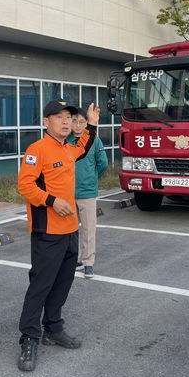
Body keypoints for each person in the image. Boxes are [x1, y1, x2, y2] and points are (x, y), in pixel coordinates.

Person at [16, 99, 100, 372]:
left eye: (69, 117)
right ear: (46, 121)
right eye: (59, 116)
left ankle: (53, 327)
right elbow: (25, 186)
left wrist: (92, 124)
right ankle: (29, 337)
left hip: (69, 230)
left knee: (62, 283)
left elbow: (84, 147)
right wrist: (51, 201)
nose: (66, 121)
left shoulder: (68, 150)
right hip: (47, 232)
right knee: (40, 285)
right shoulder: (36, 150)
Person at [67, 107, 108, 278]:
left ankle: (88, 262)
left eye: (82, 121)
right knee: (69, 230)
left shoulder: (94, 140)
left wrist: (91, 178)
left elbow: (103, 164)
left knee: (89, 229)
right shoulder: (65, 140)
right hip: (67, 193)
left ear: (87, 123)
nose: (77, 125)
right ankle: (73, 259)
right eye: (74, 121)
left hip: (87, 192)